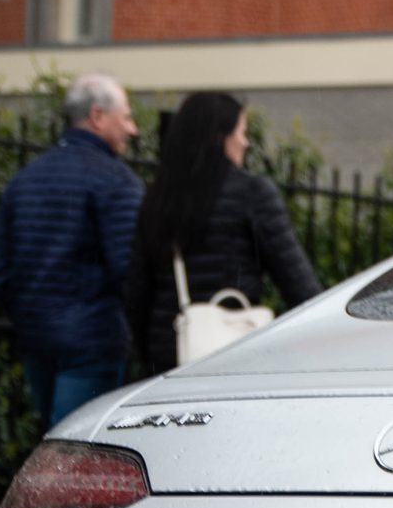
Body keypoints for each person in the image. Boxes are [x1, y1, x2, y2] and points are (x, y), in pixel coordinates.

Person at [123, 91, 323, 375]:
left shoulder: (159, 196)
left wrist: (152, 350)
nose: (245, 142)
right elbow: (298, 283)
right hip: (235, 350)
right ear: (221, 137)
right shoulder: (253, 194)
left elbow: (136, 291)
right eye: (241, 132)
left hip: (171, 350)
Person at [0, 73, 144, 425]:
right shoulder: (117, 182)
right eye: (126, 117)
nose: (131, 130)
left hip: (36, 337)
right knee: (77, 454)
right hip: (93, 340)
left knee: (52, 446)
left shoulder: (24, 179)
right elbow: (129, 270)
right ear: (98, 116)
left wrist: (31, 312)